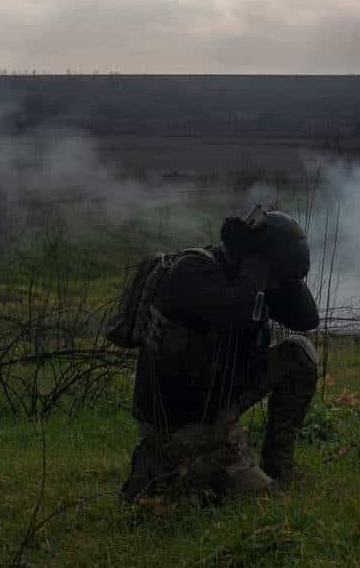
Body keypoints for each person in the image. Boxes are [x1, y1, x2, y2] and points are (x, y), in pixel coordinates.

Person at [121, 206, 320, 502]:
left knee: (299, 354)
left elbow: (307, 319)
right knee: (263, 501)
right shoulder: (193, 272)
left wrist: (276, 275)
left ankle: (278, 465)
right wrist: (256, 262)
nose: (276, 284)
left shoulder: (248, 279)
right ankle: (161, 463)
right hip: (180, 420)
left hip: (215, 401)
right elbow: (238, 312)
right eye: (276, 275)